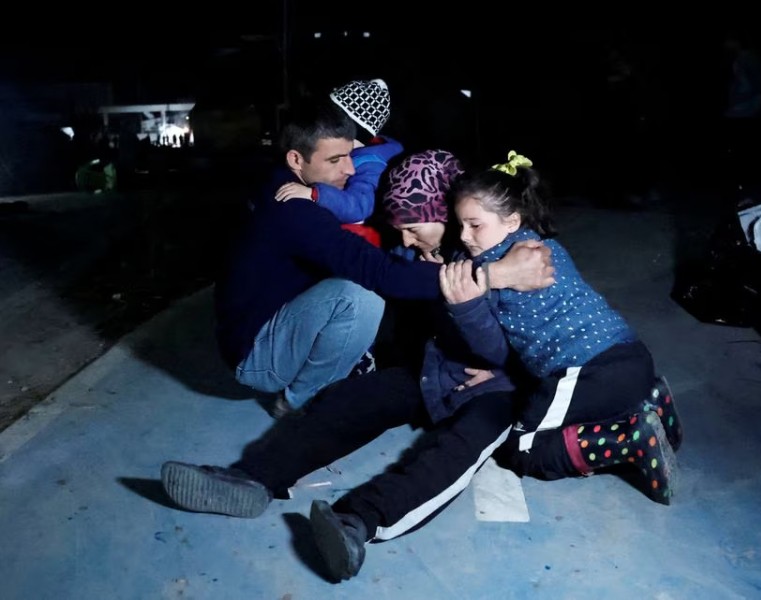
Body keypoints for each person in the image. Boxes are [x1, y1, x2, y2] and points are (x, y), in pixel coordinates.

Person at [162, 150, 534, 581]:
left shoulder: (513, 253)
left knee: (454, 451)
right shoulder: (427, 257)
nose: (406, 242)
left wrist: (507, 369)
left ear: (444, 213)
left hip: (497, 391)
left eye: (413, 228)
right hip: (437, 371)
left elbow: (557, 338)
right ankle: (251, 478)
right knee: (353, 399)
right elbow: (409, 329)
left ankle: (357, 522)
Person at [216, 101, 554, 418]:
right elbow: (378, 272)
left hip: (271, 321)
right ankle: (299, 405)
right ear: (295, 160)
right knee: (360, 298)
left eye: (351, 155)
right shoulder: (293, 208)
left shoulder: (289, 183)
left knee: (381, 287)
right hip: (258, 356)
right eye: (334, 161)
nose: (349, 169)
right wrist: (495, 273)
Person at [437, 151, 682, 493]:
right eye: (459, 224)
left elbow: (489, 343)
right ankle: (649, 399)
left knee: (521, 449)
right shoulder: (544, 246)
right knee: (560, 409)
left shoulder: (489, 270)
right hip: (634, 358)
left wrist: (463, 292)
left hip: (589, 373)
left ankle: (629, 439)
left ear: (511, 220)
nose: (464, 235)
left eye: (475, 225)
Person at [262, 78, 399, 248]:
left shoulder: (371, 164)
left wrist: (314, 194)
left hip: (362, 238)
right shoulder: (363, 154)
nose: (349, 170)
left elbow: (358, 208)